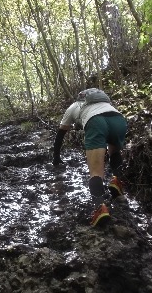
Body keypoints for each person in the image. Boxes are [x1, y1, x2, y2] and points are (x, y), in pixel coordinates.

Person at [52, 88, 128, 227]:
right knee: (114, 153)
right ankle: (117, 181)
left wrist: (56, 157)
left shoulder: (74, 106)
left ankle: (100, 208)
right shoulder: (105, 104)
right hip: (118, 120)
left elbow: (61, 133)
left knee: (96, 172)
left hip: (96, 122)